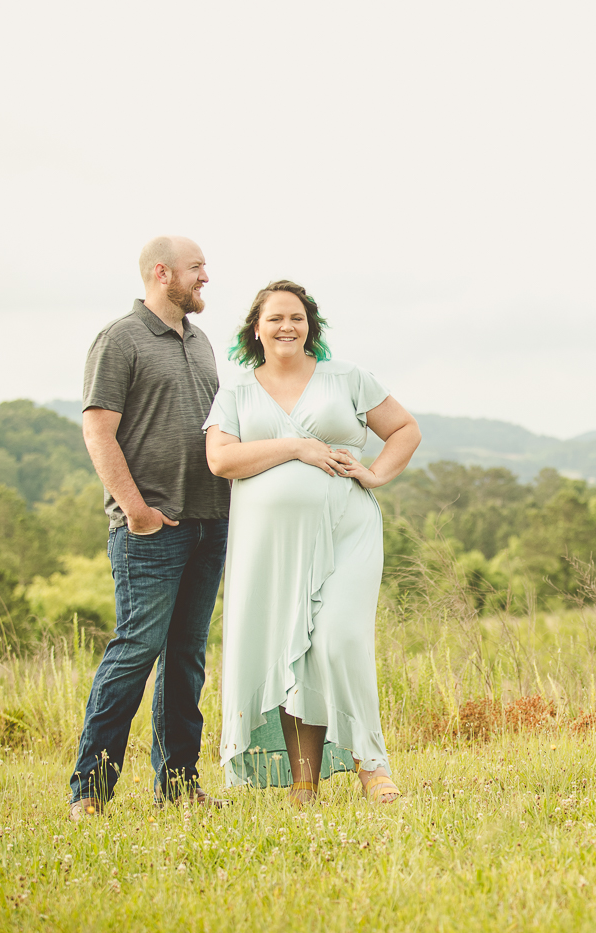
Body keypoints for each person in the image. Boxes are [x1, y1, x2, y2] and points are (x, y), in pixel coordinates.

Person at [204, 279, 420, 805]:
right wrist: (297, 447)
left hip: (346, 531)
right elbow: (221, 460)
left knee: (336, 641)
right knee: (286, 653)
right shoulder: (236, 391)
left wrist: (374, 476)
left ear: (310, 328)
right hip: (269, 548)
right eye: (275, 318)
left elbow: (405, 430)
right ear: (255, 329)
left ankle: (373, 764)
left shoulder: (345, 377)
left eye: (297, 318)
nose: (286, 327)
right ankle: (304, 781)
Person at [68, 236, 231, 821]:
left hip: (211, 522)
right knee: (137, 650)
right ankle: (90, 790)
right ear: (163, 273)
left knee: (186, 658)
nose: (206, 277)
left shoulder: (202, 341)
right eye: (197, 268)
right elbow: (98, 431)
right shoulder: (120, 339)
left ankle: (179, 784)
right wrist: (135, 510)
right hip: (150, 529)